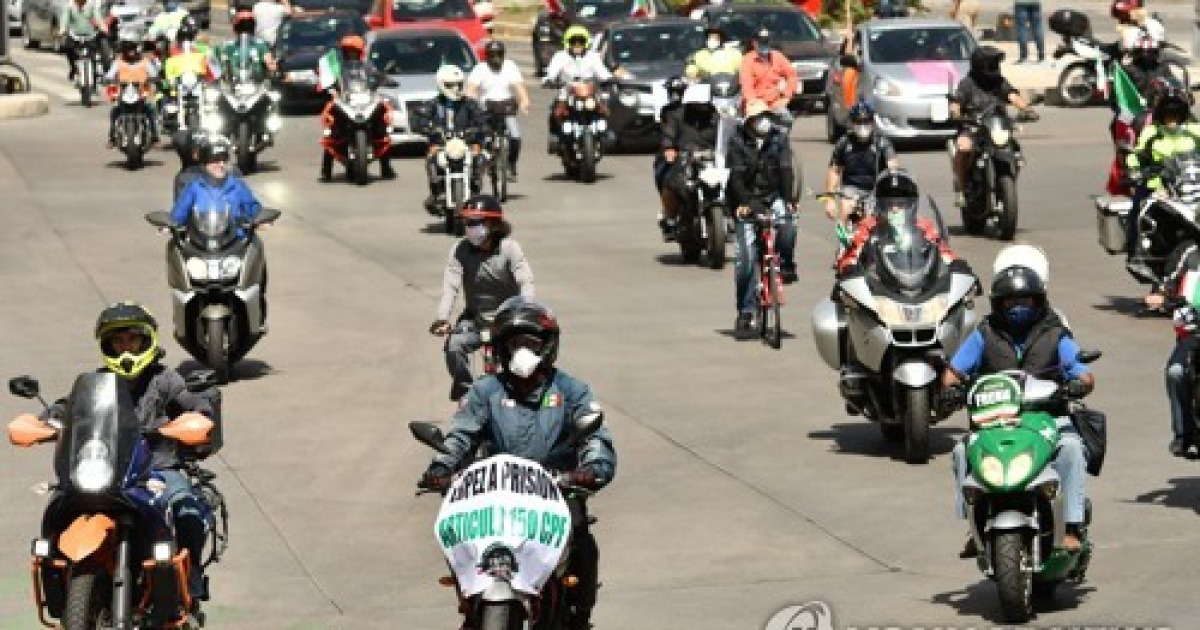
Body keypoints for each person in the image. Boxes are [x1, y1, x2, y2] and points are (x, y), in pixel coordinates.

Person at [420, 298, 616, 630]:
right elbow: (461, 435)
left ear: (548, 347)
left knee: (580, 534)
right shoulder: (486, 391)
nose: (521, 351)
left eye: (530, 343)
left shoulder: (572, 390)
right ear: (500, 348)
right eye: (514, 343)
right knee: (460, 533)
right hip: (497, 493)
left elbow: (596, 436)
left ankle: (578, 613)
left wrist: (592, 468)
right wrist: (441, 467)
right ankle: (471, 601)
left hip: (557, 491)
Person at [43, 302, 221, 609]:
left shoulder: (166, 379)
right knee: (57, 508)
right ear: (108, 346)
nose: (126, 347)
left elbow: (192, 403)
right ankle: (59, 576)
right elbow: (66, 407)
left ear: (146, 341)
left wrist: (199, 417)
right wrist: (45, 420)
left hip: (158, 468)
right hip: (106, 469)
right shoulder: (96, 382)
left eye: (132, 339)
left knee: (187, 511)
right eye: (118, 341)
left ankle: (189, 575)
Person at [941, 263, 1095, 556]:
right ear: (999, 304)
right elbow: (952, 375)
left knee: (1072, 447)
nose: (1018, 307)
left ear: (1038, 302)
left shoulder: (1055, 333)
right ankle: (973, 528)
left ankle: (1072, 526)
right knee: (962, 452)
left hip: (1047, 418)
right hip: (994, 419)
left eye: (1025, 300)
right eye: (1011, 301)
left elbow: (1083, 373)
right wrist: (951, 391)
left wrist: (1078, 384)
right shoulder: (984, 334)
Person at [429, 195, 536, 401]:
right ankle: (466, 391)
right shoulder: (460, 250)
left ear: (494, 225)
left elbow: (526, 282)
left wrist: (526, 310)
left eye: (477, 223)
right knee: (454, 346)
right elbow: (450, 287)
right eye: (468, 223)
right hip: (476, 320)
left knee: (526, 365)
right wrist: (442, 318)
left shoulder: (510, 249)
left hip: (509, 321)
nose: (471, 228)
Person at [728, 99, 800, 334]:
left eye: (766, 116)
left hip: (772, 196)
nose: (764, 121)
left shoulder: (778, 138)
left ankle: (786, 264)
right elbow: (736, 180)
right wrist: (746, 204)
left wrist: (789, 201)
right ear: (749, 121)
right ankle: (745, 311)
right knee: (745, 259)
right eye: (759, 117)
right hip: (745, 200)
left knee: (789, 223)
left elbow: (786, 170)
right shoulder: (737, 141)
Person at [1125, 86, 1200, 284]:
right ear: (1161, 115)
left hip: (1192, 187)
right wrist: (1136, 170)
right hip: (1159, 189)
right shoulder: (1151, 134)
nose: (1172, 119)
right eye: (1168, 115)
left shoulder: (1195, 132)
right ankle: (1136, 254)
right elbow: (1136, 156)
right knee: (1138, 209)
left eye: (1176, 114)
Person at [951, 46, 1038, 206]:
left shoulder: (1000, 81)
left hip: (996, 125)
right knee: (963, 148)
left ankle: (1006, 182)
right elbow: (957, 102)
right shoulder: (967, 83)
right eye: (990, 63)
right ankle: (961, 188)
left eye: (995, 63)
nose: (994, 67)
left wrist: (1027, 109)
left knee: (1015, 149)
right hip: (973, 126)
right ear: (980, 65)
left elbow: (1012, 96)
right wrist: (956, 113)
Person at [834, 169, 958, 276]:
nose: (894, 209)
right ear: (880, 205)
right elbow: (851, 256)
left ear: (911, 205)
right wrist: (848, 268)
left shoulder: (924, 226)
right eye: (889, 204)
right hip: (877, 286)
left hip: (920, 284)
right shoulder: (868, 227)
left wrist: (955, 264)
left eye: (900, 204)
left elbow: (943, 250)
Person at [319, 35, 395, 181]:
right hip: (346, 100)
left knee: (383, 123)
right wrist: (326, 85)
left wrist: (384, 79)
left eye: (353, 51)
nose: (351, 54)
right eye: (348, 51)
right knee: (330, 129)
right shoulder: (338, 68)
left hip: (365, 99)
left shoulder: (368, 67)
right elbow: (327, 80)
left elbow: (377, 76)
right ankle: (325, 169)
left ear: (360, 52)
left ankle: (386, 167)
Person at [417, 64, 486, 212]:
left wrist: (481, 128)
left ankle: (475, 185)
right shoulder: (434, 103)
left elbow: (481, 119)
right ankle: (435, 191)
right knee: (431, 157)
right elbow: (421, 118)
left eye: (459, 84)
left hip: (465, 143)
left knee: (479, 155)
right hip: (442, 144)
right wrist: (425, 127)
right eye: (450, 85)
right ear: (441, 84)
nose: (456, 88)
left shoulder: (469, 103)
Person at [659, 82, 721, 242]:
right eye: (697, 103)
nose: (701, 106)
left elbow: (727, 134)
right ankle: (671, 217)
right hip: (685, 158)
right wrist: (669, 148)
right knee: (671, 182)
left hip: (713, 158)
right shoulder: (677, 114)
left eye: (703, 103)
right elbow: (669, 134)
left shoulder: (717, 115)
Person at [1154, 243, 1200, 456]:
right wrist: (1161, 296)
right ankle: (1184, 434)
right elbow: (1167, 285)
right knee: (1176, 372)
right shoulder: (1188, 254)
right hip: (1193, 333)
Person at [823, 101, 898, 227]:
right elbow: (834, 171)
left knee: (884, 221)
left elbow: (894, 170)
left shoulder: (882, 143)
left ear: (872, 122)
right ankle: (845, 244)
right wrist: (829, 199)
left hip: (877, 190)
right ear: (852, 123)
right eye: (858, 122)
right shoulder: (844, 143)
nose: (862, 125)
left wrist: (894, 198)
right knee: (847, 210)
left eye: (866, 122)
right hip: (852, 189)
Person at [466, 40, 531, 181]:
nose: (495, 58)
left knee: (515, 136)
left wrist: (524, 101)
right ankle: (481, 164)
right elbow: (471, 89)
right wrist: (471, 103)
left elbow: (519, 86)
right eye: (492, 55)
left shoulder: (510, 66)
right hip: (487, 108)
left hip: (506, 106)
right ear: (487, 56)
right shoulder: (480, 69)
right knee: (481, 136)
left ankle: (511, 164)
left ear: (503, 55)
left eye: (499, 54)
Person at [541, 25, 612, 152]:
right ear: (568, 42)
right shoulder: (560, 56)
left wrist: (609, 79)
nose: (577, 45)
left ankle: (605, 133)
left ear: (586, 43)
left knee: (603, 107)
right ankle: (556, 136)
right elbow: (551, 73)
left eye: (581, 41)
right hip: (567, 91)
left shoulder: (593, 56)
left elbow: (603, 73)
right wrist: (549, 80)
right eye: (574, 41)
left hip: (590, 91)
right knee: (556, 110)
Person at [172, 136, 262, 233]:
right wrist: (170, 224)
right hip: (201, 241)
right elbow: (180, 212)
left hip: (235, 241)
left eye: (224, 160)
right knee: (175, 245)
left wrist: (260, 219)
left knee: (255, 246)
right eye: (215, 160)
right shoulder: (194, 187)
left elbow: (253, 207)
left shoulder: (237, 185)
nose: (221, 165)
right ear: (204, 164)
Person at [105, 38, 160, 148]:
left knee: (151, 111)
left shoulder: (144, 62)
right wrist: (107, 79)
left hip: (141, 95)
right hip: (123, 94)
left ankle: (155, 138)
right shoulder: (118, 62)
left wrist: (154, 78)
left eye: (133, 49)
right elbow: (110, 75)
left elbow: (154, 74)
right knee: (114, 112)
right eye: (128, 49)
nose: (131, 52)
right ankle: (112, 138)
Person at [739, 28, 797, 127]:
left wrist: (787, 94)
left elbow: (792, 75)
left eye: (767, 41)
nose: (764, 44)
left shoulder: (778, 56)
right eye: (761, 42)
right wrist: (753, 101)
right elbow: (746, 84)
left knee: (786, 120)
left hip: (775, 102)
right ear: (754, 43)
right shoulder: (748, 60)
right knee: (762, 125)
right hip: (756, 103)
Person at [654, 76, 688, 240]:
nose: (677, 95)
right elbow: (667, 133)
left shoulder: (706, 110)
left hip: (699, 152)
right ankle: (669, 213)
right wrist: (669, 148)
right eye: (673, 92)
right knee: (663, 174)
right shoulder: (667, 111)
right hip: (675, 153)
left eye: (680, 92)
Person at [214, 12, 277, 79]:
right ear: (236, 28)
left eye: (248, 27)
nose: (245, 31)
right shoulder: (229, 45)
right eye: (241, 28)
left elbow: (269, 61)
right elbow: (217, 61)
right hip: (233, 84)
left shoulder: (260, 45)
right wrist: (217, 67)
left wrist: (271, 64)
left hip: (257, 84)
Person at [58, 0, 108, 83]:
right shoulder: (69, 6)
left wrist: (103, 27)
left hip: (89, 36)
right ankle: (74, 68)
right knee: (68, 48)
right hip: (74, 35)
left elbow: (98, 17)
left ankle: (94, 81)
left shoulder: (91, 5)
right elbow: (64, 19)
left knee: (92, 57)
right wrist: (62, 30)